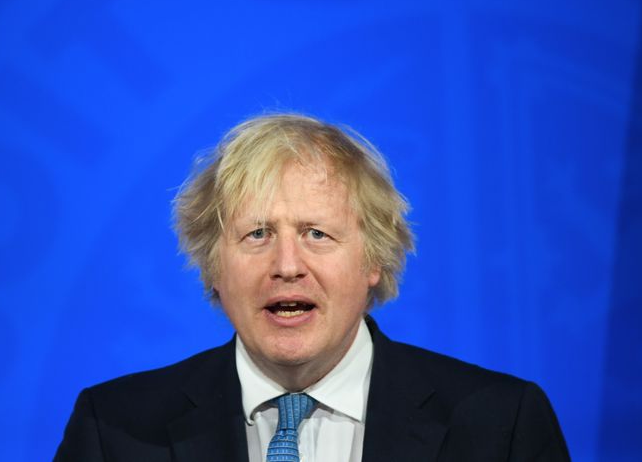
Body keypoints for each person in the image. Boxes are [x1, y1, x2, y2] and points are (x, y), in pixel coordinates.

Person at [54, 113, 570, 461]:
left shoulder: (500, 426)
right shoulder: (113, 430)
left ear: (374, 259)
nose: (286, 265)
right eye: (257, 234)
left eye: (316, 234)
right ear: (213, 266)